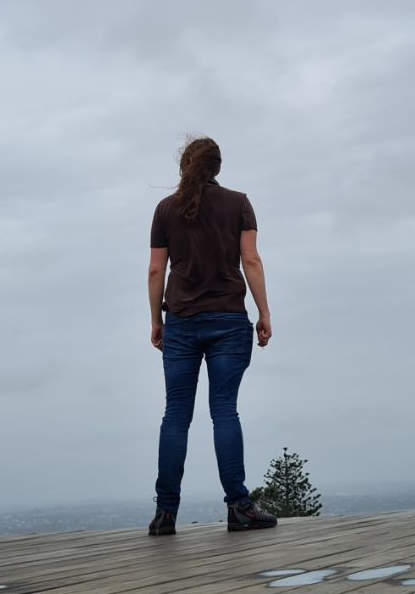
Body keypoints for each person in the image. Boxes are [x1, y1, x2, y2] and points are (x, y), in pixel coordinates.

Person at [146, 137, 278, 536]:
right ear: (217, 167)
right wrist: (264, 312)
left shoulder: (165, 209)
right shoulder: (239, 203)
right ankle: (239, 507)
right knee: (224, 410)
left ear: (185, 166)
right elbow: (250, 259)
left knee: (175, 415)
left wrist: (156, 321)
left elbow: (156, 270)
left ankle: (165, 514)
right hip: (228, 321)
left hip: (181, 322)